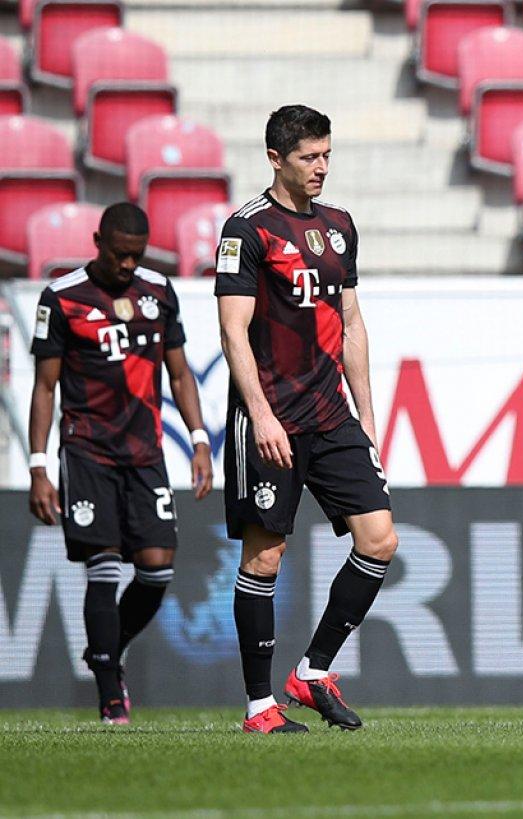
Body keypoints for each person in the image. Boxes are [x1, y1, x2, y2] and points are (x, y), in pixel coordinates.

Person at [215, 104, 397, 734]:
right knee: (266, 557)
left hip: (331, 413)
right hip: (271, 417)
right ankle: (258, 706)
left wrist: (366, 415)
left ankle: (312, 671)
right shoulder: (247, 230)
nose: (321, 167)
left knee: (379, 539)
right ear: (275, 159)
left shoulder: (339, 226)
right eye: (308, 157)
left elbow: (351, 323)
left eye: (326, 155)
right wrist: (260, 415)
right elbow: (233, 331)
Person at [27, 203, 213, 725]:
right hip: (87, 450)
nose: (128, 264)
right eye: (119, 254)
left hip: (145, 451)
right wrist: (39, 466)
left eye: (137, 255)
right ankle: (111, 693)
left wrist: (199, 439)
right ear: (98, 242)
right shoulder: (62, 298)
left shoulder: (159, 292)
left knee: (157, 569)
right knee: (104, 568)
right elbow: (45, 387)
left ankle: (105, 648)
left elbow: (180, 374)